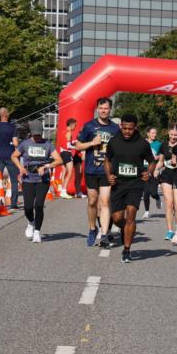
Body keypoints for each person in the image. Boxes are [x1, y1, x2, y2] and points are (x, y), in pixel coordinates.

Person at [105, 114, 156, 262]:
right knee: (117, 218)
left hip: (135, 184)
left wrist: (149, 173)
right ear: (121, 126)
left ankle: (126, 250)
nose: (127, 131)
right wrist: (109, 175)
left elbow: (152, 161)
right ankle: (127, 228)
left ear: (136, 128)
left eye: (130, 129)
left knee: (131, 214)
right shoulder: (114, 142)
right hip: (118, 184)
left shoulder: (142, 144)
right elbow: (107, 160)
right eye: (124, 128)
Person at [75, 97, 121, 247]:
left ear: (110, 109)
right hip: (91, 169)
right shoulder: (89, 126)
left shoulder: (115, 129)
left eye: (106, 108)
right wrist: (92, 143)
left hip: (107, 171)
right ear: (97, 109)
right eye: (101, 108)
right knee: (92, 201)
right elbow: (78, 146)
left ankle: (105, 234)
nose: (103, 111)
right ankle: (92, 229)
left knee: (105, 201)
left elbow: (120, 149)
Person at [12, 119, 63, 243]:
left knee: (39, 205)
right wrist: (20, 168)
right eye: (35, 135)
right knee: (28, 207)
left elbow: (59, 160)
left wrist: (46, 166)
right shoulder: (25, 144)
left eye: (39, 134)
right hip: (28, 178)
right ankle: (31, 222)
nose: (37, 137)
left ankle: (37, 232)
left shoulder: (47, 145)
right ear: (31, 133)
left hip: (42, 179)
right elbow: (14, 156)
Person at [0, 107, 20, 209]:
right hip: (10, 155)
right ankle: (14, 203)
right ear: (7, 115)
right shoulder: (12, 127)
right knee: (14, 180)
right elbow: (15, 143)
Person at [158, 125, 177, 240]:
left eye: (176, 135)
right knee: (169, 203)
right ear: (168, 133)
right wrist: (155, 170)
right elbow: (161, 161)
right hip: (166, 175)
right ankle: (170, 230)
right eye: (172, 134)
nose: (173, 137)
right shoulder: (163, 145)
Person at [140, 126, 162, 219]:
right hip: (144, 170)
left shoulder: (158, 144)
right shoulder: (142, 143)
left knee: (153, 192)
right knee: (146, 192)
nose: (154, 135)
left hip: (154, 170)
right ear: (148, 133)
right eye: (152, 133)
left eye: (155, 133)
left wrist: (158, 157)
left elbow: (162, 156)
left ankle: (157, 197)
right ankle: (147, 211)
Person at [60, 118, 79, 199]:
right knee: (70, 172)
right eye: (75, 125)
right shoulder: (69, 133)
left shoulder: (63, 131)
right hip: (67, 153)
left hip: (62, 152)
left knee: (64, 171)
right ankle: (63, 190)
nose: (75, 127)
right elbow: (68, 146)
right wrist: (75, 146)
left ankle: (62, 189)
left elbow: (64, 144)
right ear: (71, 125)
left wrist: (72, 143)